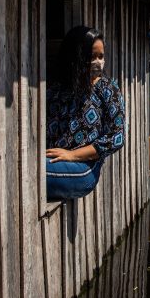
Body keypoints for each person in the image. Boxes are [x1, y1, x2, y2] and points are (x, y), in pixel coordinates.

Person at [45, 26, 126, 200]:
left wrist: (71, 155)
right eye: (92, 57)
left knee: (34, 172)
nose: (98, 62)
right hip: (53, 160)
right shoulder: (56, 88)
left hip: (84, 169)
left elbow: (116, 138)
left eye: (101, 56)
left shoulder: (107, 89)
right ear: (76, 58)